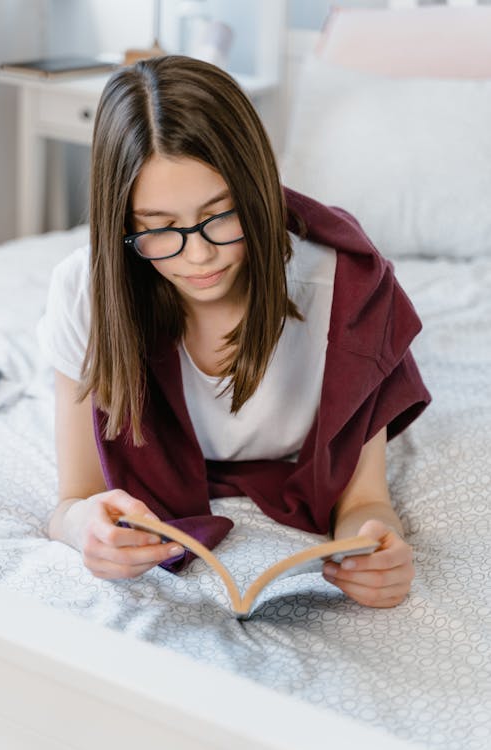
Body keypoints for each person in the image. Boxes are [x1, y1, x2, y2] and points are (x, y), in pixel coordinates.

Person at [38, 55, 430, 609]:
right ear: (121, 225)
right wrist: (85, 530)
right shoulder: (87, 292)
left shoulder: (342, 291)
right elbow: (73, 500)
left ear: (259, 190)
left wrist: (374, 549)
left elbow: (365, 502)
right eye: (158, 230)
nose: (199, 256)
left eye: (221, 215)